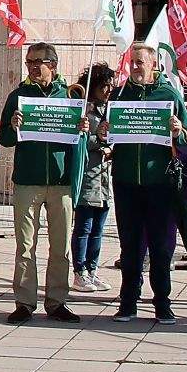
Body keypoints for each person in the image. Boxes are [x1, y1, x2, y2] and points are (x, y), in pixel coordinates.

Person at [0, 42, 86, 323]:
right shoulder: (19, 96)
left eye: (39, 62)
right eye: (29, 62)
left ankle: (57, 301)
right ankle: (24, 302)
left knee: (60, 246)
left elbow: (82, 140)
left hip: (61, 182)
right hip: (28, 180)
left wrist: (83, 129)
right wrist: (13, 126)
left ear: (53, 65)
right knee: (25, 245)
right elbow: (4, 140)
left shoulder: (70, 95)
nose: (33, 67)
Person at [107, 45, 187, 324]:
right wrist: (102, 131)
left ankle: (162, 303)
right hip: (126, 181)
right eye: (131, 62)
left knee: (161, 246)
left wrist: (179, 131)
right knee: (129, 245)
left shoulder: (168, 95)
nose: (134, 67)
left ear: (153, 64)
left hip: (160, 183)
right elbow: (106, 135)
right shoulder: (119, 95)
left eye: (140, 62)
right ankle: (128, 301)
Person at [70, 64, 114, 294]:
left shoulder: (109, 109)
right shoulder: (84, 111)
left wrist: (112, 148)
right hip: (87, 176)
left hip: (104, 179)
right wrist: (99, 142)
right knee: (84, 227)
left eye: (110, 86)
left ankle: (92, 269)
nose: (108, 90)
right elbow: (81, 140)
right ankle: (80, 271)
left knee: (99, 228)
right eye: (104, 85)